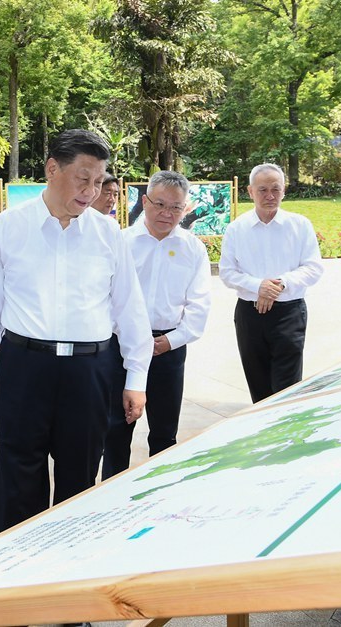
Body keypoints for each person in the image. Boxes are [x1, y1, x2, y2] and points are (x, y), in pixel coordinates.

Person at [0, 129, 153, 535]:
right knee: (18, 474)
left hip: (89, 370)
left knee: (80, 476)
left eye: (99, 181)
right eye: (83, 179)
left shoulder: (108, 233)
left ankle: (67, 560)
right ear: (52, 169)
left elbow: (130, 308)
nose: (92, 191)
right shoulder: (10, 226)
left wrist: (136, 377)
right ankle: (16, 560)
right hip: (24, 365)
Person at [101, 171, 211, 480]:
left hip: (168, 348)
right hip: (120, 348)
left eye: (176, 207)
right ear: (145, 201)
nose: (167, 213)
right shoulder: (121, 242)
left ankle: (160, 489)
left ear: (184, 209)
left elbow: (199, 304)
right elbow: (104, 298)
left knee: (164, 431)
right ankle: (112, 491)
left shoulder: (193, 248)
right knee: (115, 428)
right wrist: (130, 339)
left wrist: (172, 340)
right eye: (160, 204)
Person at [219, 163, 323, 404]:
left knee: (287, 386)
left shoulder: (300, 225)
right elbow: (227, 272)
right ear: (250, 191)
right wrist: (258, 286)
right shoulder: (236, 229)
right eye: (263, 190)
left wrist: (279, 284)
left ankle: (286, 424)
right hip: (250, 314)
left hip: (289, 312)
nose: (270, 196)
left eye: (276, 189)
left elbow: (313, 267)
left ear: (284, 190)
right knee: (258, 383)